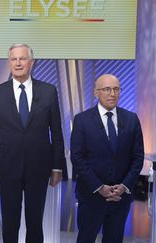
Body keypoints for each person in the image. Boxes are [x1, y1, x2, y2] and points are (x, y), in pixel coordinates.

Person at [0, 43, 66, 243]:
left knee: (35, 221)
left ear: (31, 62)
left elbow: (57, 132)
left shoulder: (48, 91)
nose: (18, 63)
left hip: (39, 166)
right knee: (10, 221)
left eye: (22, 58)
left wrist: (57, 167)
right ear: (9, 62)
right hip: (7, 166)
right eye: (13, 59)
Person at [71, 74, 144, 243]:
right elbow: (78, 158)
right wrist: (99, 187)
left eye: (116, 89)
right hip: (91, 195)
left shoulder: (132, 119)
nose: (112, 93)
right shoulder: (82, 120)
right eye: (107, 89)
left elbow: (138, 157)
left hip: (120, 198)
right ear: (96, 93)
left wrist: (124, 186)